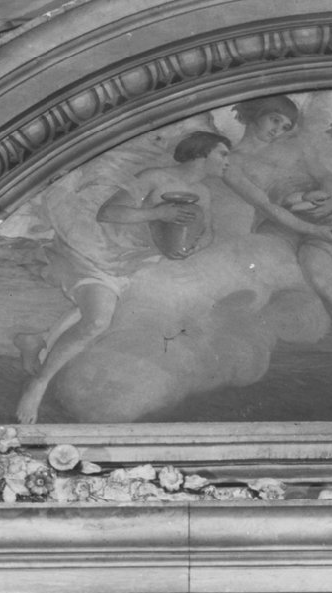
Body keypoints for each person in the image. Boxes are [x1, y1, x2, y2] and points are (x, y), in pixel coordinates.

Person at [13, 130, 231, 423]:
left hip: (137, 262)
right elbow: (109, 212)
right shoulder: (154, 178)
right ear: (202, 153)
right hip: (100, 251)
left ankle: (37, 340)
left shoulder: (203, 193)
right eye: (223, 154)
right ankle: (38, 384)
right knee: (97, 321)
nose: (228, 162)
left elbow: (208, 233)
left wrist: (192, 248)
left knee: (126, 315)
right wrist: (158, 214)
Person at [223, 96, 332, 385]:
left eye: (285, 125)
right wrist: (314, 231)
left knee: (316, 270)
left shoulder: (296, 145)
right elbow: (268, 207)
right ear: (256, 113)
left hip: (327, 214)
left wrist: (331, 200)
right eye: (274, 120)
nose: (278, 130)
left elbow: (326, 177)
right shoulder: (231, 163)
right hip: (281, 223)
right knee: (270, 270)